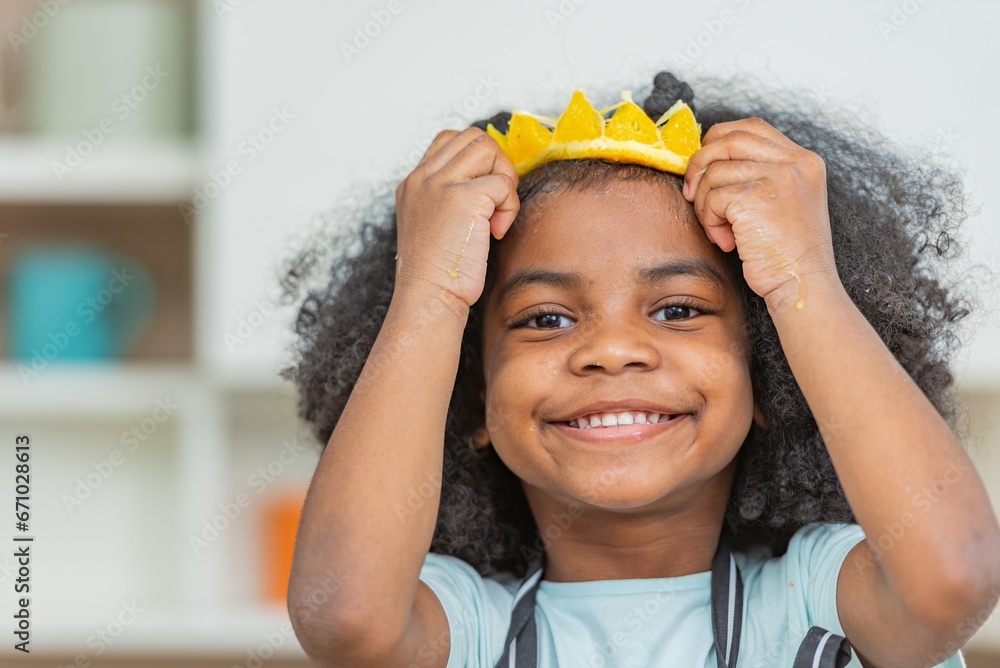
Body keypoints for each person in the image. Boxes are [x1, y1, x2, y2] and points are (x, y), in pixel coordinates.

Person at [283, 71, 1000, 667]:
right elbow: (342, 616)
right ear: (470, 400)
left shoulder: (818, 597)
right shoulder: (469, 625)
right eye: (545, 319)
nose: (612, 349)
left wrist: (800, 274)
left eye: (678, 309)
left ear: (775, 380)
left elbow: (954, 575)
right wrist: (431, 291)